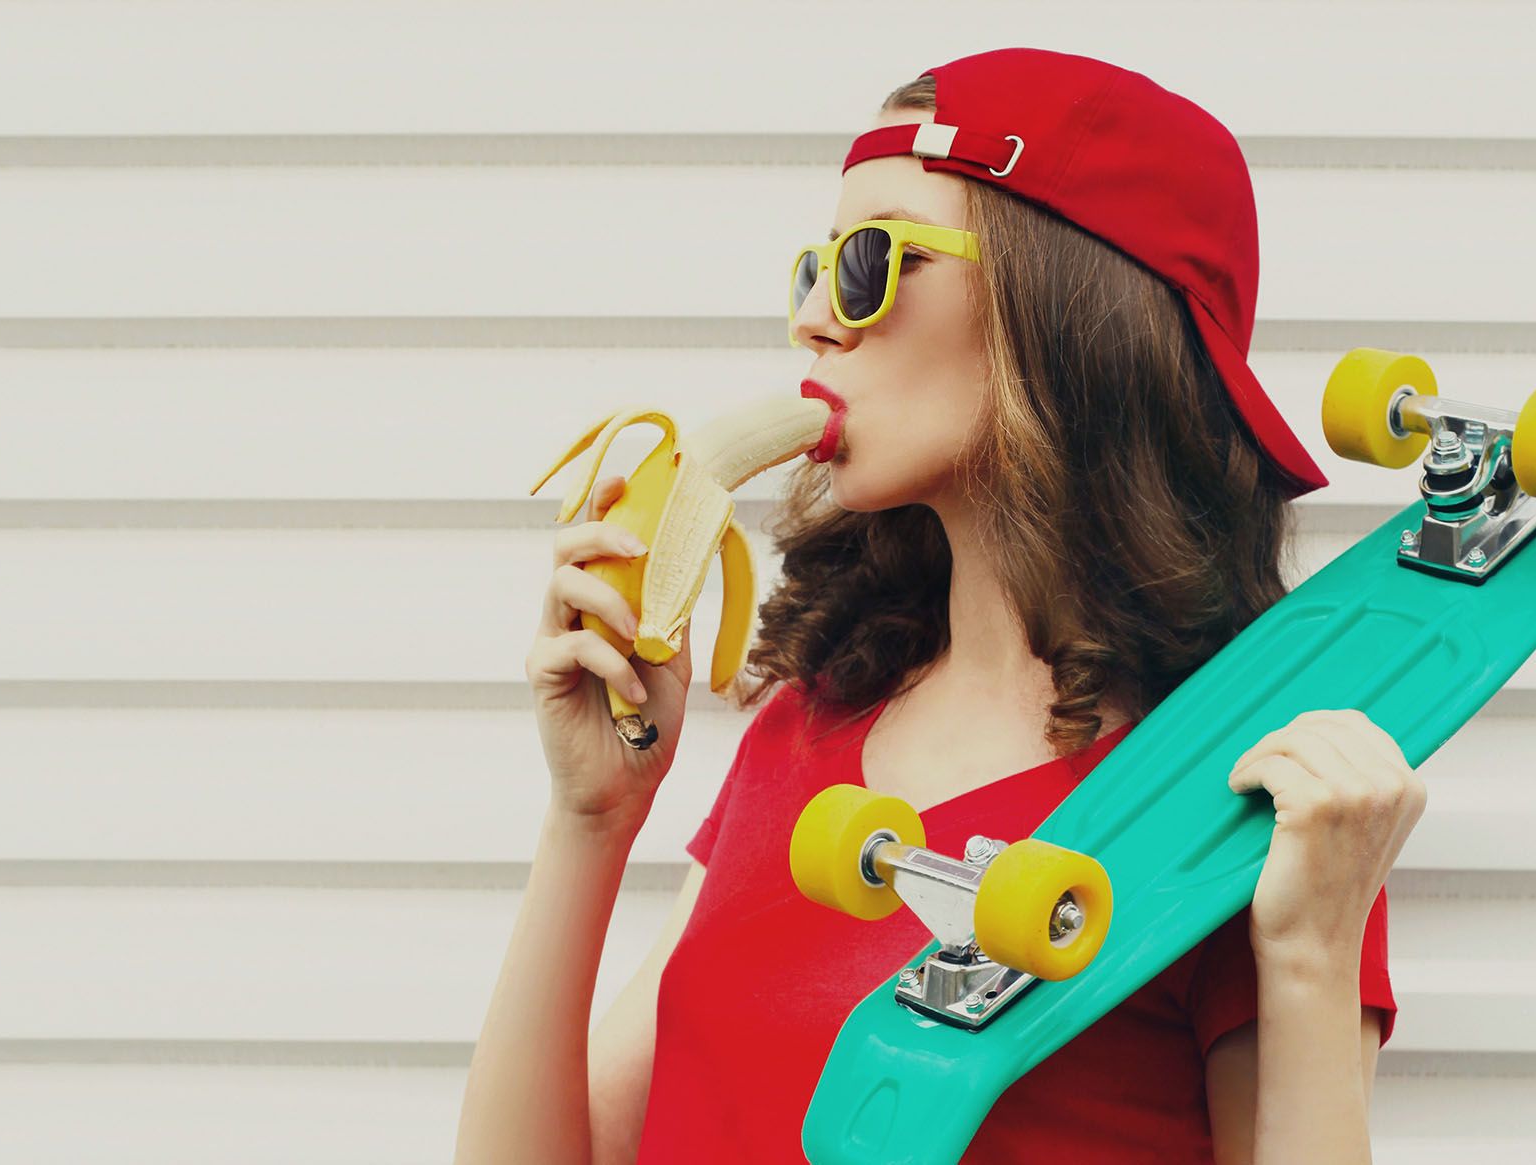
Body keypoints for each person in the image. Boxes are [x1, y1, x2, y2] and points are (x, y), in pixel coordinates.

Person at [455, 47, 1427, 1165]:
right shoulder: (804, 731)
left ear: (1061, 307)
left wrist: (1308, 952)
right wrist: (591, 820)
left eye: (869, 262)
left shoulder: (1247, 800)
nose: (815, 321)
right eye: (810, 270)